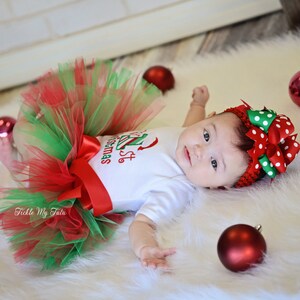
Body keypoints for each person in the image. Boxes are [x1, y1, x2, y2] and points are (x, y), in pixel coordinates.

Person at [0, 59, 298, 271]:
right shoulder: (186, 139)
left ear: (219, 186)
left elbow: (144, 223)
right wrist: (198, 104)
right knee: (51, 119)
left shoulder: (177, 187)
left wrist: (145, 248)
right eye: (207, 134)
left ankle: (15, 162)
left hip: (76, 186)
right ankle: (22, 154)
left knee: (31, 154)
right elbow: (189, 127)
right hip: (84, 145)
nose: (198, 148)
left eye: (214, 162)